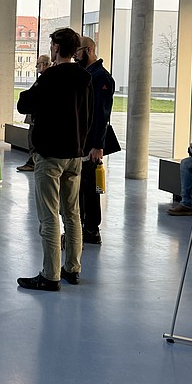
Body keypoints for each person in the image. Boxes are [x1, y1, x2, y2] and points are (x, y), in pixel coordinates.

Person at [15, 27, 93, 291]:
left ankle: (50, 275)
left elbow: (24, 104)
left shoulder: (50, 77)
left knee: (49, 217)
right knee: (72, 214)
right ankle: (72, 268)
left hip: (50, 155)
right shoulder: (85, 77)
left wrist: (39, 80)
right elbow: (89, 116)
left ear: (57, 48)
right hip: (75, 155)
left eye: (51, 45)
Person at [75, 36, 115, 245]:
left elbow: (101, 114)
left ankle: (91, 229)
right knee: (82, 187)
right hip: (83, 142)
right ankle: (85, 228)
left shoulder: (100, 77)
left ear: (89, 50)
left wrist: (97, 145)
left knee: (89, 188)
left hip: (92, 144)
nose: (74, 55)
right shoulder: (87, 74)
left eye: (77, 51)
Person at [16, 54, 52, 172]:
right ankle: (32, 161)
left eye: (39, 64)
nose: (37, 66)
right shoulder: (42, 79)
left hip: (38, 118)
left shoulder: (47, 79)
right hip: (34, 116)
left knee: (33, 140)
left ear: (46, 64)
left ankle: (33, 162)